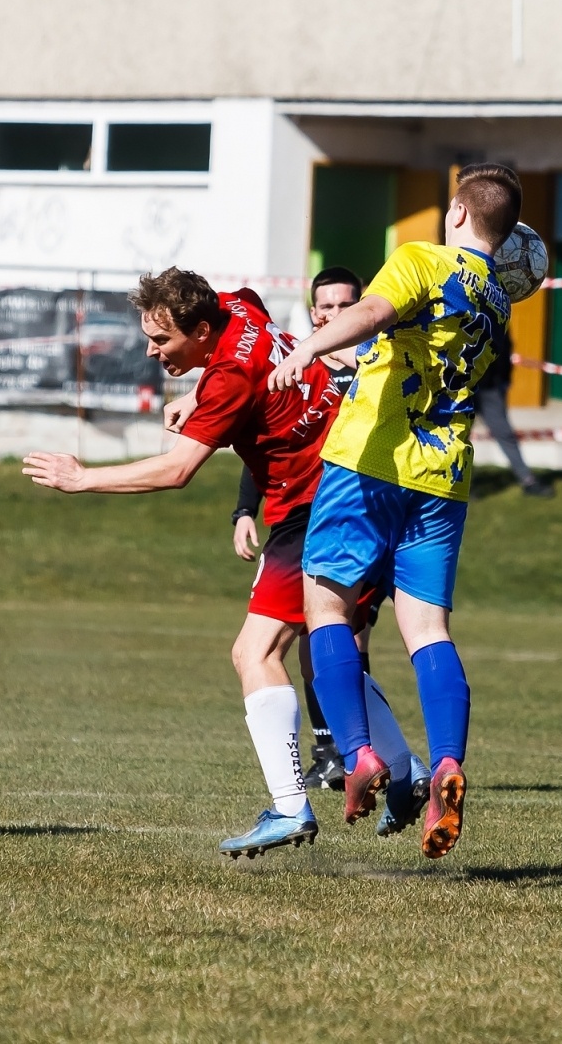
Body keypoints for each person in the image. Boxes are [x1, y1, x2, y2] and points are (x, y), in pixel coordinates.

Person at [26, 269, 429, 860]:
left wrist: (82, 479)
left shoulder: (228, 380)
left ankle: (290, 807)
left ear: (201, 329)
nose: (151, 351)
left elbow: (176, 470)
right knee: (322, 655)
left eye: (161, 340)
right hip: (363, 486)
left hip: (314, 505)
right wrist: (195, 395)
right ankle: (407, 772)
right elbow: (248, 336)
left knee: (254, 654)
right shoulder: (236, 304)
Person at [266, 162, 521, 859]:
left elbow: (374, 313)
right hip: (444, 477)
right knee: (428, 628)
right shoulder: (498, 299)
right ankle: (446, 763)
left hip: (371, 462)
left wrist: (309, 346)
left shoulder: (422, 259)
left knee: (325, 607)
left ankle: (358, 753)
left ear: (459, 213)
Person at [220, 268, 390, 790]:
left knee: (341, 638)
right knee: (319, 641)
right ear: (313, 312)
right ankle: (344, 752)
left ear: (362, 308)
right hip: (304, 516)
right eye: (325, 307)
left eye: (344, 307)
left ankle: (360, 752)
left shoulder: (375, 365)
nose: (333, 315)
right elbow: (267, 441)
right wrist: (244, 511)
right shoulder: (298, 361)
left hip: (358, 512)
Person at [474, 324, 554, 498]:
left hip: (491, 388)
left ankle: (527, 480)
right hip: (463, 388)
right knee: (456, 438)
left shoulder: (498, 316)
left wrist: (504, 380)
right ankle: (459, 485)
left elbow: (505, 348)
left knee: (505, 434)